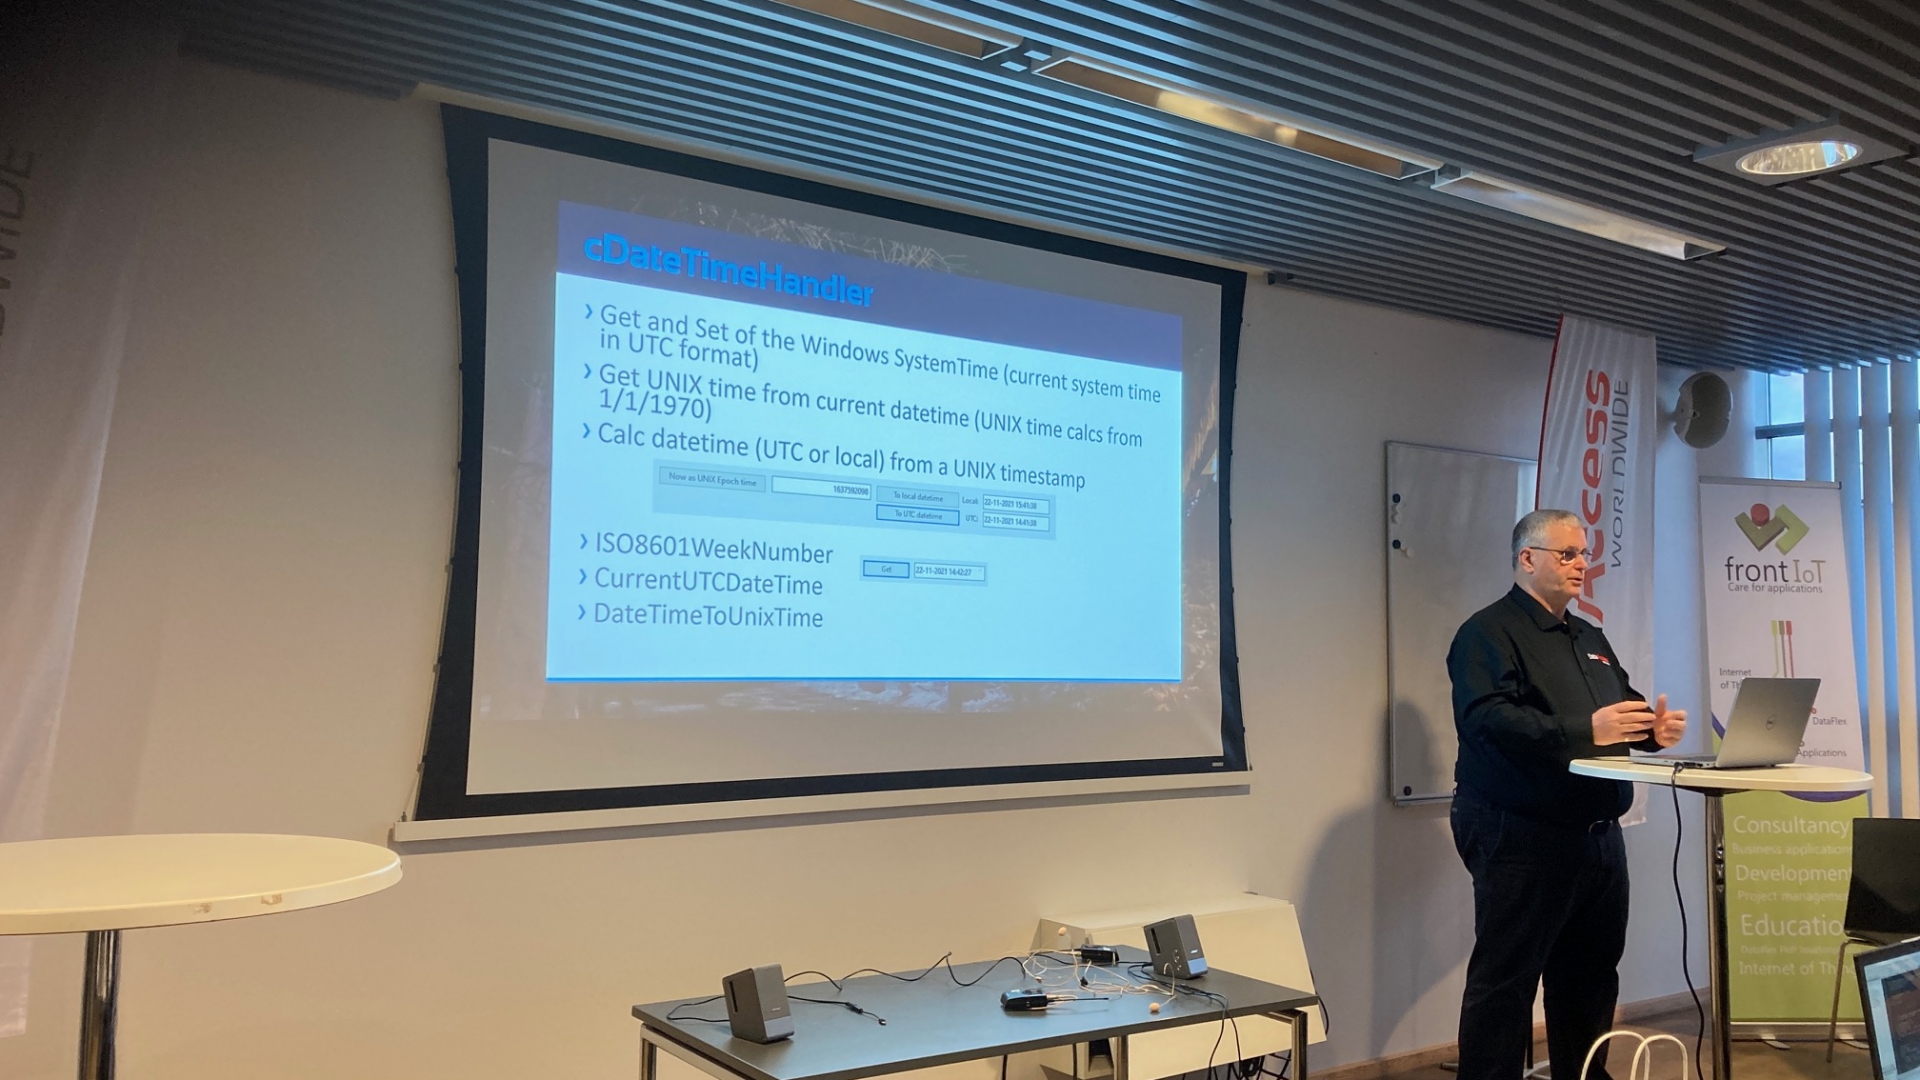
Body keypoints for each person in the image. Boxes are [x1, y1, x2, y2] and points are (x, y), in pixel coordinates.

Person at [1447, 508, 1686, 1080]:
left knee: (1591, 976)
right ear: (1527, 559)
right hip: (1520, 832)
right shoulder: (1487, 632)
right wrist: (1584, 731)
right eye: (1568, 554)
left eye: (1584, 554)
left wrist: (1652, 732)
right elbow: (1486, 721)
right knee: (1507, 981)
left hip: (1597, 837)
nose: (1582, 564)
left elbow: (1620, 708)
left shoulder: (1588, 636)